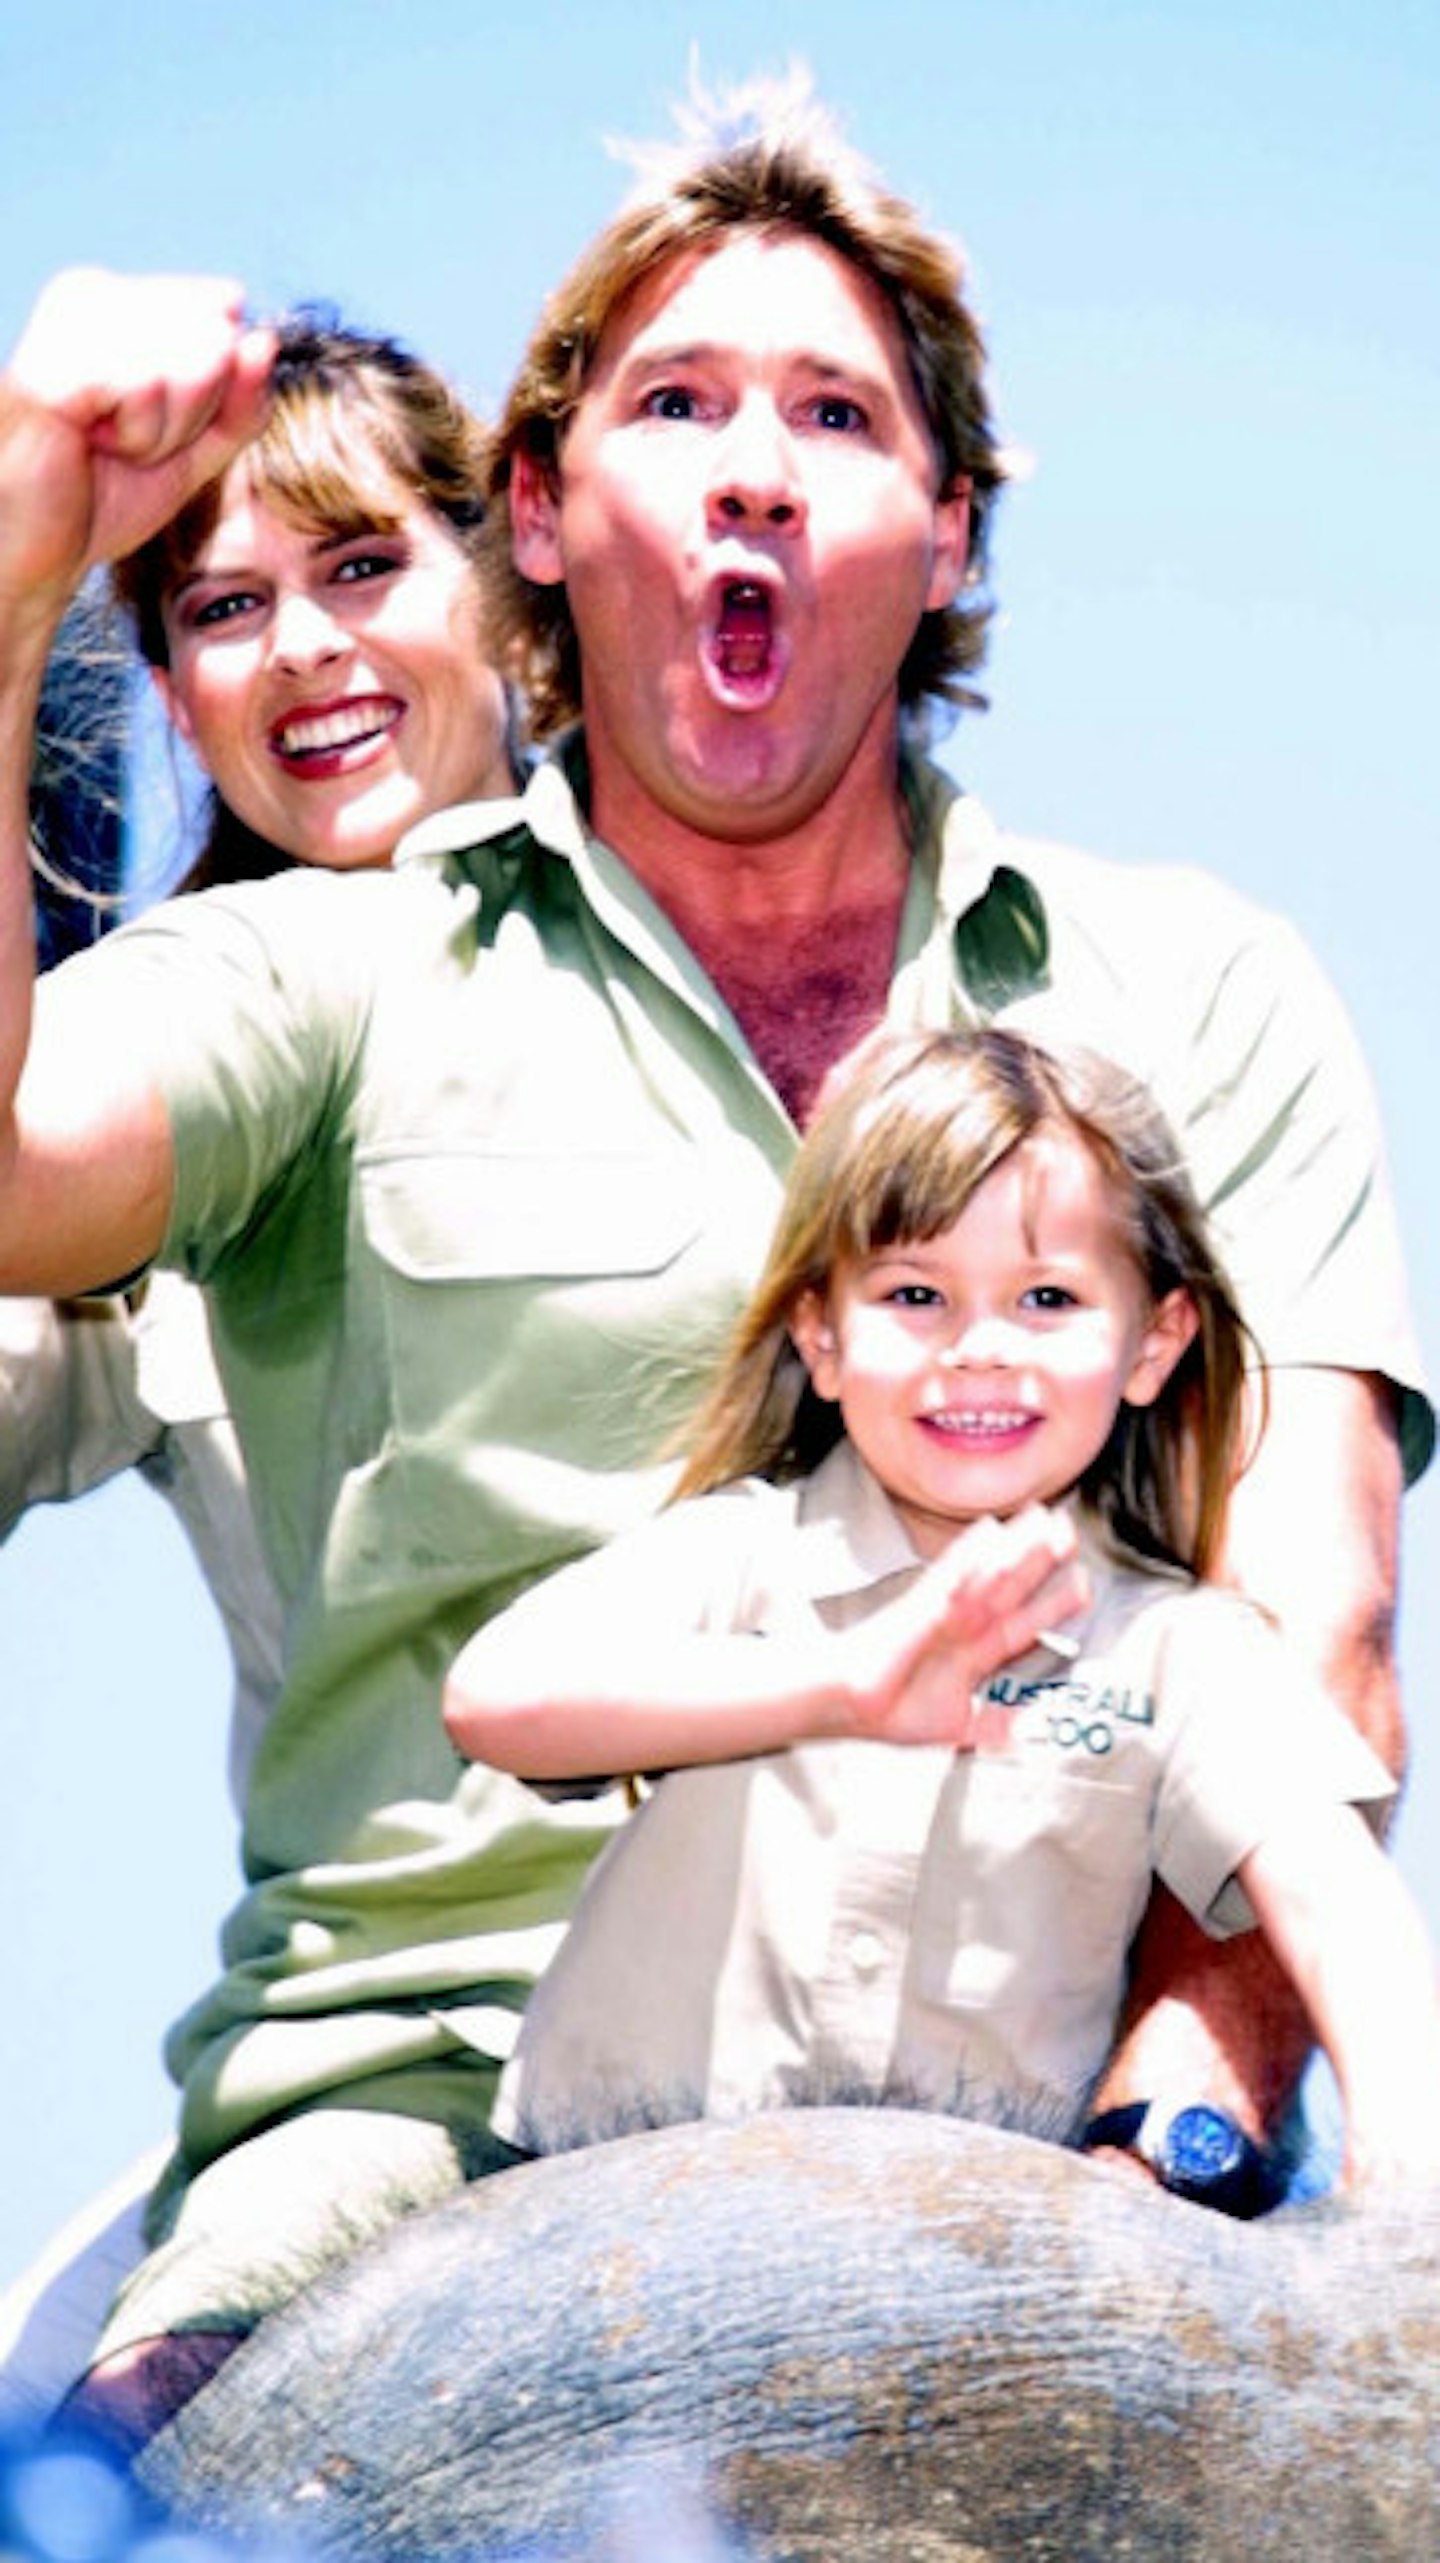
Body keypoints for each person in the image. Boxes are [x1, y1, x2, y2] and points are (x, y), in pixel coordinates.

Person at [0, 67, 1426, 2445]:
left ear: (947, 533)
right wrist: (20, 555)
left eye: (836, 415)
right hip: (410, 2132)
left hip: (1039, 2088)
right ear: (543, 516)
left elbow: (1315, 1636)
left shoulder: (1198, 993)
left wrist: (1180, 2116)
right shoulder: (335, 974)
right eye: (674, 401)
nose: (753, 462)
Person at [446, 1027, 1440, 2195]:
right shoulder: (737, 1557)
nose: (978, 1349)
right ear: (821, 1335)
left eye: (1048, 1297)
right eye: (916, 1293)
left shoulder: (1182, 1652)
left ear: (1153, 1343)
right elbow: (495, 1700)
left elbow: (1335, 1905)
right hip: (602, 2216)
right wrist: (845, 1684)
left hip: (977, 2272)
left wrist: (1409, 2163)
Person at [0, 292, 518, 2432]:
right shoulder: (154, 1103)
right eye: (223, 605)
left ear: (525, 592)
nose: (303, 646)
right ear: (175, 700)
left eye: (366, 564)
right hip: (382, 2054)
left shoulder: (754, 952)